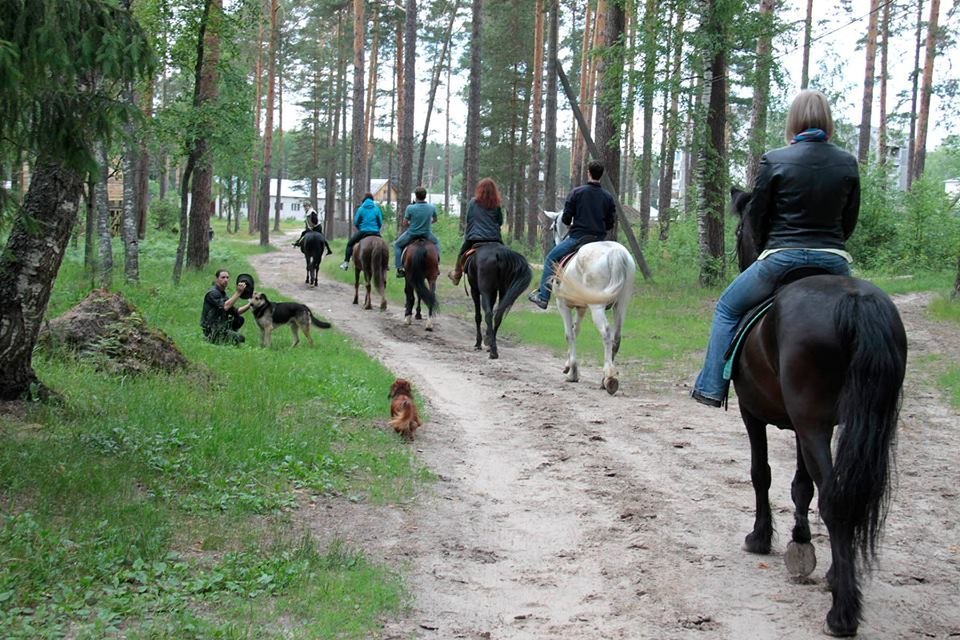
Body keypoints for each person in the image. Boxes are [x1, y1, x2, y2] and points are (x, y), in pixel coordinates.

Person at [691, 89, 860, 408]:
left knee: (726, 308)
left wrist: (774, 244)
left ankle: (711, 386)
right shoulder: (847, 163)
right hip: (834, 262)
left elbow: (755, 218)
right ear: (828, 120)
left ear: (793, 121)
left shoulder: (776, 159)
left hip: (782, 258)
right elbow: (848, 221)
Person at [527, 159, 616, 309]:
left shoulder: (577, 193)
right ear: (601, 175)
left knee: (550, 258)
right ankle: (610, 297)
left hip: (579, 238)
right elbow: (610, 224)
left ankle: (543, 297)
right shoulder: (608, 197)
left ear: (588, 173)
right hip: (600, 240)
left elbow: (566, 219)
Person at [447, 178, 504, 285]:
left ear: (480, 189)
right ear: (494, 191)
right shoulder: (496, 204)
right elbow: (500, 221)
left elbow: (468, 218)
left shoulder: (473, 202)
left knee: (462, 253)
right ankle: (507, 280)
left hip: (475, 238)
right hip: (494, 239)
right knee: (506, 257)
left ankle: (457, 274)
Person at [394, 186, 440, 278]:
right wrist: (427, 222)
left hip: (412, 234)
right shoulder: (431, 207)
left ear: (416, 196)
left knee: (397, 245)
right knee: (437, 243)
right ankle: (436, 265)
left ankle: (399, 268)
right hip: (427, 234)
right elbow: (435, 220)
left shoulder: (410, 208)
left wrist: (412, 223)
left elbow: (405, 223)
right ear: (425, 196)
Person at [200, 269, 251, 345]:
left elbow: (236, 311)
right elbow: (225, 306)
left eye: (227, 277)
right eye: (223, 277)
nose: (226, 280)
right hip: (211, 328)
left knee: (239, 319)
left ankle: (226, 335)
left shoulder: (223, 294)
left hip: (221, 325)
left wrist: (251, 304)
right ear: (216, 279)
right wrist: (238, 292)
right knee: (240, 338)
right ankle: (213, 338)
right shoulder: (212, 293)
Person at [339, 192, 384, 270]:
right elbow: (380, 222)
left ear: (364, 200)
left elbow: (356, 222)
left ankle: (346, 263)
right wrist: (376, 229)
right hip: (375, 232)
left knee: (350, 244)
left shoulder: (361, 208)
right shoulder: (376, 208)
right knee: (383, 246)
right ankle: (385, 263)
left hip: (363, 232)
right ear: (372, 199)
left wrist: (360, 228)